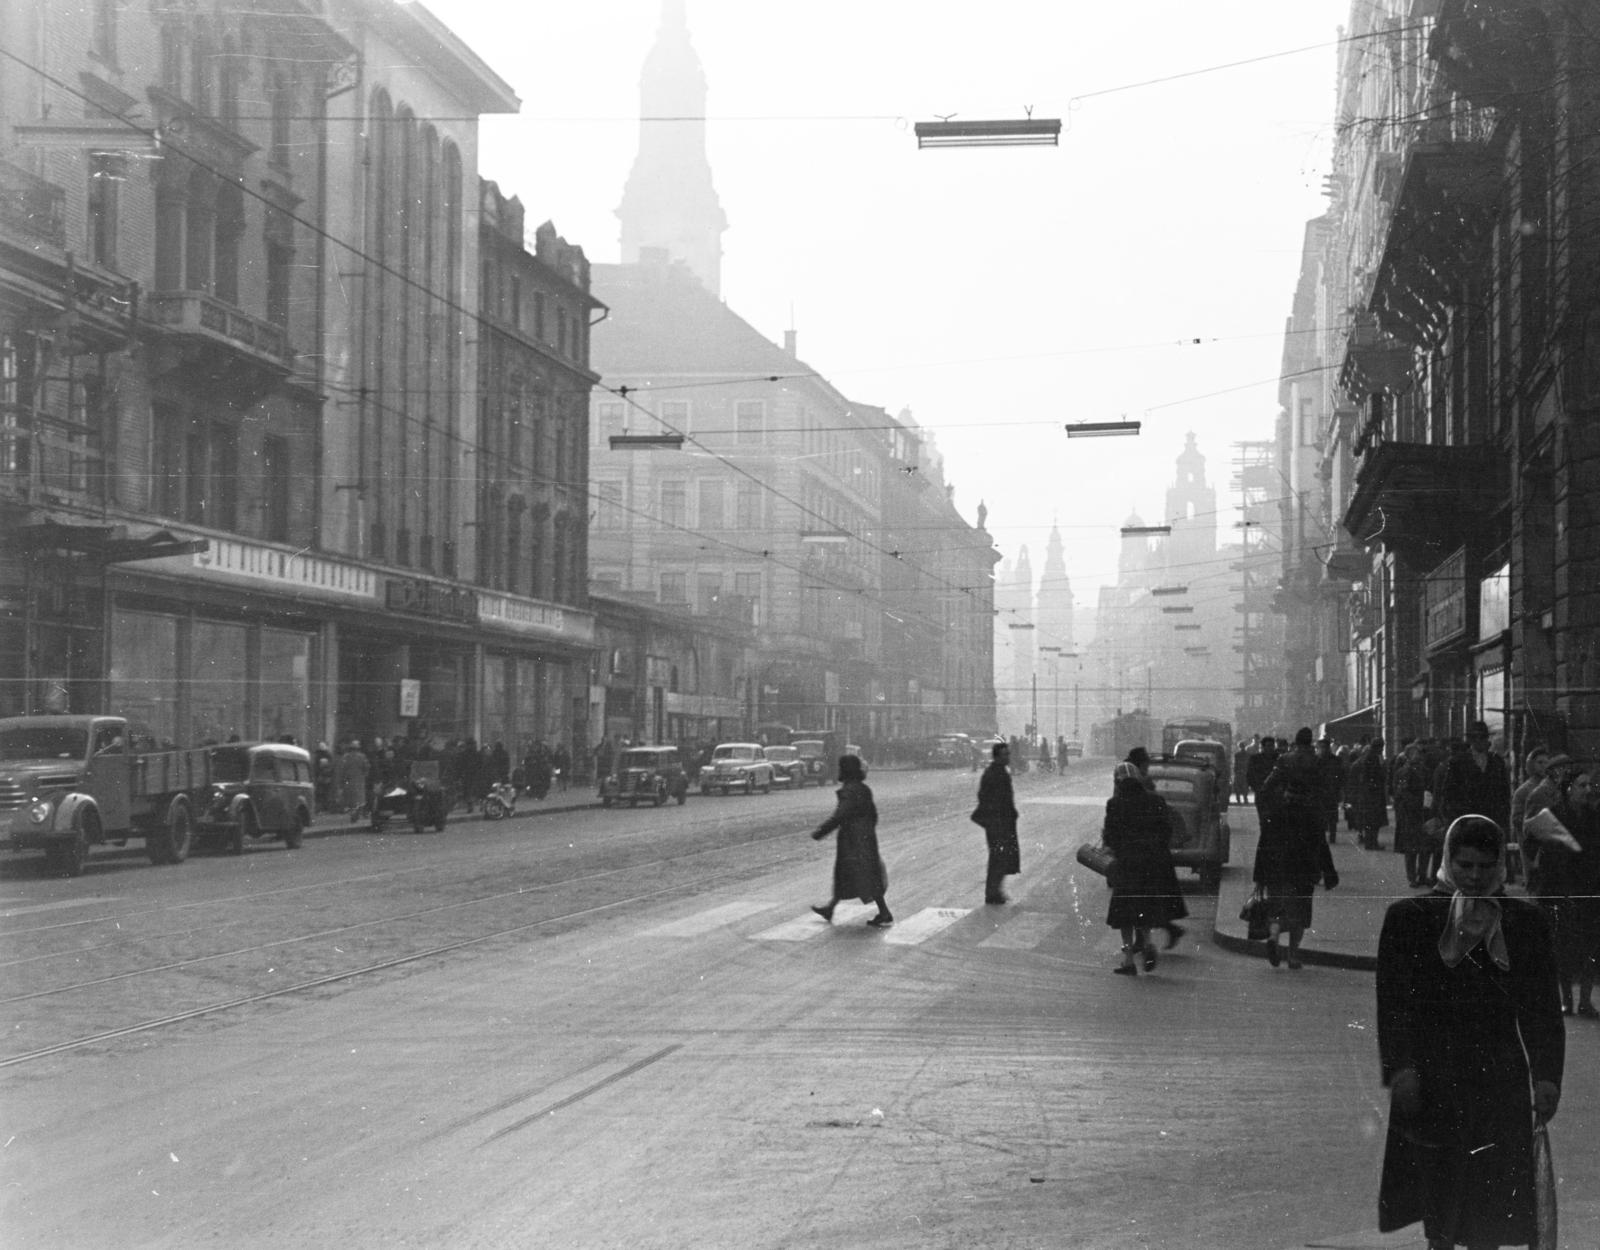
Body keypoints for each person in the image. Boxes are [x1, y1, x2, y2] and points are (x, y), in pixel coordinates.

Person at [1376, 815, 1564, 1250]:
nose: (1475, 877)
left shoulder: (1524, 923)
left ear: (1500, 865)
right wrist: (1400, 1067)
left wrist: (1547, 1075)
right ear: (1447, 861)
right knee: (1440, 1204)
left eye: (1485, 867)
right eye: (1464, 866)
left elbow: (1540, 1009)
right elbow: (1393, 1004)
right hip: (1433, 1077)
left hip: (1500, 1080)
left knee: (1492, 1205)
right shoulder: (1412, 919)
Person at [1254, 727, 1339, 969]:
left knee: (1279, 904)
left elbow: (1265, 790)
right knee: (1300, 910)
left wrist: (1259, 874)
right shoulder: (1318, 763)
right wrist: (1329, 872)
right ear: (1311, 742)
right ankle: (1292, 956)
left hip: (1278, 864)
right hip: (1305, 863)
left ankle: (1272, 934)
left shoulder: (1284, 763)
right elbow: (1321, 844)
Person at [1102, 761, 1187, 974]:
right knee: (1143, 907)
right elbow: (1166, 830)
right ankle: (1148, 944)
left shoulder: (1115, 803)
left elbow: (1111, 836)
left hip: (1128, 863)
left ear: (1118, 781)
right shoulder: (1156, 800)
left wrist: (1114, 850)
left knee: (1124, 913)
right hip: (1153, 863)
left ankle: (1129, 960)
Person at [1531, 766, 1600, 1018]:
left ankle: (1585, 1001)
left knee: (1591, 947)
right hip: (1561, 889)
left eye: (1588, 785)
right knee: (1562, 947)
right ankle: (1566, 1000)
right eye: (1581, 785)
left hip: (1589, 889)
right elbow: (1547, 856)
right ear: (1568, 789)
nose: (1587, 790)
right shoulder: (1555, 816)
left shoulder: (1593, 817)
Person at [809, 755, 892, 927]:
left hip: (852, 841)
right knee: (861, 875)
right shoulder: (863, 788)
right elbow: (873, 815)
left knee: (851, 875)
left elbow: (840, 815)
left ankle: (884, 912)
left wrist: (821, 831)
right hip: (865, 838)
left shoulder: (849, 790)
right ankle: (831, 908)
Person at [972, 741, 1020, 904]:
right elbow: (984, 796)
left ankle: (995, 890)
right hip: (997, 822)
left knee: (1000, 856)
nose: (1008, 757)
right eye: (1005, 754)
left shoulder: (999, 772)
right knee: (998, 856)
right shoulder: (993, 774)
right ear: (998, 756)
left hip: (1002, 821)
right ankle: (992, 892)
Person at [1392, 742, 1431, 888]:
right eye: (1415, 753)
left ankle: (1422, 874)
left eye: (1419, 753)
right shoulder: (1404, 772)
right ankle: (1412, 877)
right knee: (1411, 847)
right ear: (1408, 755)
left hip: (1422, 812)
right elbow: (1402, 792)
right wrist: (1417, 802)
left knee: (1424, 846)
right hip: (1410, 813)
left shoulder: (1424, 770)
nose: (1419, 755)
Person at [1355, 738, 1391, 850]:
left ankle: (1371, 842)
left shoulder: (1368, 756)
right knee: (1373, 821)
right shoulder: (1373, 758)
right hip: (1373, 795)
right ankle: (1372, 843)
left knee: (1371, 821)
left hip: (1368, 794)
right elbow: (1376, 775)